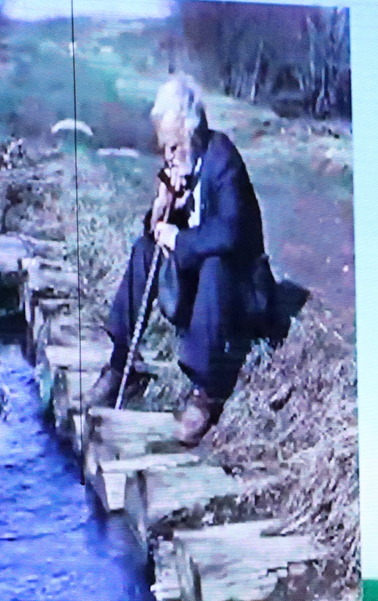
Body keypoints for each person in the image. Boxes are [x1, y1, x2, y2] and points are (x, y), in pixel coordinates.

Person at [89, 75, 270, 444]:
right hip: (202, 293)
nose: (168, 156)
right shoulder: (180, 167)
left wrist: (179, 237)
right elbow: (153, 233)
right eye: (163, 148)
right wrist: (162, 207)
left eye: (173, 147)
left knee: (216, 261)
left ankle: (206, 393)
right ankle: (122, 363)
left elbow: (231, 234)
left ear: (193, 133)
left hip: (241, 293)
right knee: (144, 250)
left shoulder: (222, 159)